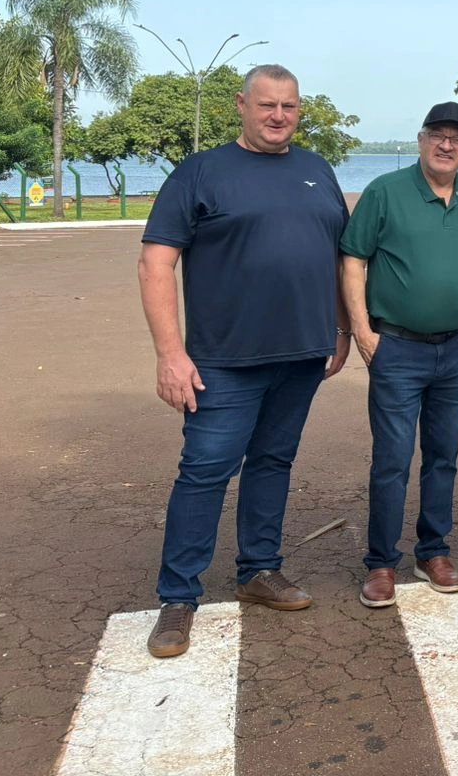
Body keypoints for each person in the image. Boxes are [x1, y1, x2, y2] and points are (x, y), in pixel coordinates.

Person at [139, 64, 350, 659]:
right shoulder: (201, 172)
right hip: (222, 361)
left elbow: (338, 256)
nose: (278, 116)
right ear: (242, 105)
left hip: (302, 354)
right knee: (205, 470)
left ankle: (259, 570)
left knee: (273, 461)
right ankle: (178, 597)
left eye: (289, 106)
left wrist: (338, 328)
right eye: (267, 105)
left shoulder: (317, 170)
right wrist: (170, 353)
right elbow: (156, 264)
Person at [341, 102, 458, 610]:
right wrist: (361, 329)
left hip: (455, 345)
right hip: (396, 347)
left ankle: (433, 551)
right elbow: (354, 258)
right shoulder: (385, 191)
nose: (447, 145)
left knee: (443, 456)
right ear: (422, 139)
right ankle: (381, 562)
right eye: (438, 135)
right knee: (393, 460)